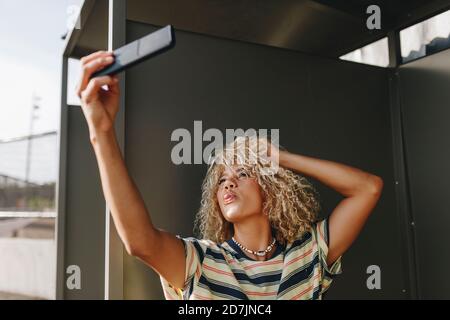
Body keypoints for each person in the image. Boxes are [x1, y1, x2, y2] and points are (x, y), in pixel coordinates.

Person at [76, 51, 384, 300]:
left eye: (243, 173)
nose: (228, 182)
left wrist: (280, 158)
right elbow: (139, 242)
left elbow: (368, 188)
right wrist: (100, 132)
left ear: (271, 188)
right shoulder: (199, 261)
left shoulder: (309, 254)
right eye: (222, 180)